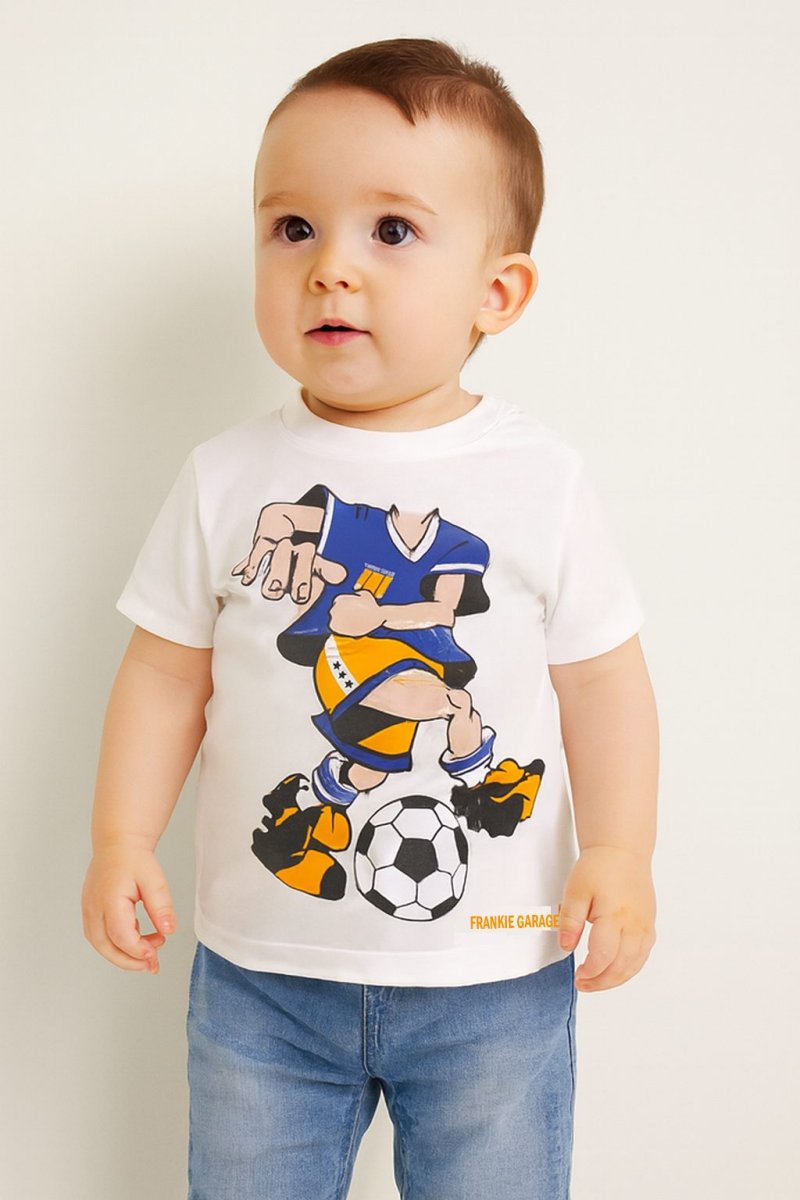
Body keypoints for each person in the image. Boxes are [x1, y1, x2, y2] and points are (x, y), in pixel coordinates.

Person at [81, 36, 658, 1200]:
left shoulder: (538, 481)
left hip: (493, 971)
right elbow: (165, 674)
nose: (329, 269)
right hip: (262, 981)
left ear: (497, 291)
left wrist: (619, 850)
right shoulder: (226, 477)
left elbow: (603, 680)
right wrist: (120, 838)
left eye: (390, 230)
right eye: (292, 227)